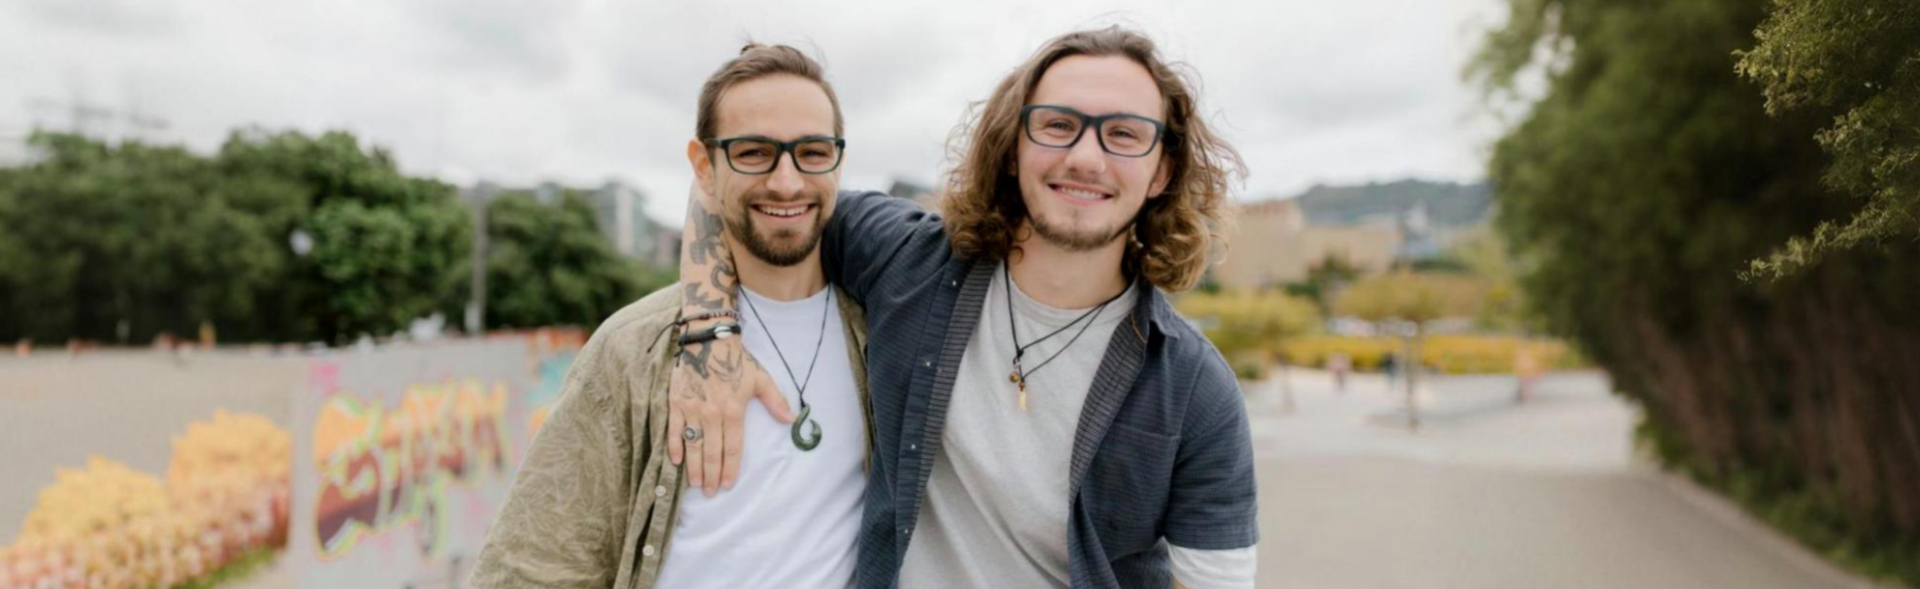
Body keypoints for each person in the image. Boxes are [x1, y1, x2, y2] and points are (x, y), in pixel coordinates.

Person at [670, 27, 1259, 589]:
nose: (1086, 157)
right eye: (1057, 125)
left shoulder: (1193, 391)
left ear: (1162, 170)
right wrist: (708, 327)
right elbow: (751, 187)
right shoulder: (911, 260)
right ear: (1012, 148)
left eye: (1124, 134)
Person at [469, 43, 872, 589]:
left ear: (838, 159)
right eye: (753, 152)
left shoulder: (884, 332)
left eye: (813, 152)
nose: (787, 181)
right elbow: (532, 567)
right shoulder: (632, 350)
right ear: (704, 167)